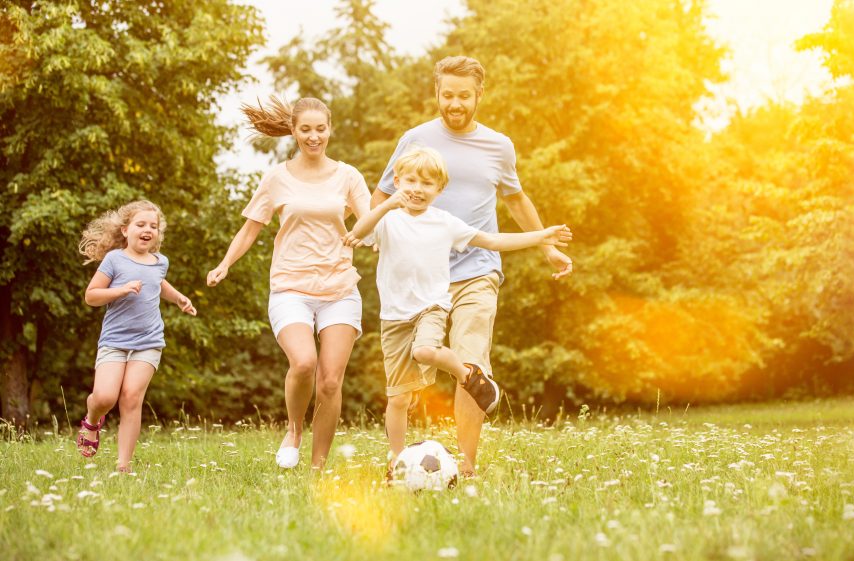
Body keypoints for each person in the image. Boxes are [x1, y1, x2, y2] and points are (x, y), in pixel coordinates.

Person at [373, 56, 574, 476]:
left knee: (470, 365)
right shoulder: (415, 140)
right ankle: (401, 460)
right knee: (408, 376)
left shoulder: (498, 146)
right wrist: (380, 238)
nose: (455, 104)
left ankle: (465, 464)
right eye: (447, 95)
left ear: (479, 95)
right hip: (422, 279)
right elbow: (382, 196)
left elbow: (516, 200)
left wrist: (546, 248)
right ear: (437, 93)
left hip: (477, 271)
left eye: (464, 96)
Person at [346, 147, 571, 475]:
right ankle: (396, 463)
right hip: (394, 317)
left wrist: (541, 238)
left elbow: (492, 242)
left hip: (430, 308)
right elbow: (359, 232)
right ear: (396, 181)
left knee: (425, 350)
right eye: (410, 180)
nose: (417, 189)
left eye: (427, 183)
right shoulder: (387, 220)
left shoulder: (444, 223)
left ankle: (469, 375)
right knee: (398, 399)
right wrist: (388, 204)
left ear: (439, 190)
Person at [206, 96, 371, 470]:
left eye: (321, 129)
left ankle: (316, 469)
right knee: (303, 362)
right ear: (294, 131)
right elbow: (251, 229)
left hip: (339, 288)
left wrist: (370, 233)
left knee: (330, 382)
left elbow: (369, 221)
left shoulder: (348, 176)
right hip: (290, 286)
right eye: (306, 130)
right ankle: (294, 429)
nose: (314, 137)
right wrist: (224, 264)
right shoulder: (277, 177)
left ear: (330, 129)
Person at [76, 200, 197, 473]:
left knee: (131, 397)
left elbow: (158, 283)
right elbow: (91, 296)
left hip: (149, 341)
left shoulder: (160, 261)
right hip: (115, 341)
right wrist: (121, 290)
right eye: (140, 224)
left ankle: (123, 466)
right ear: (125, 230)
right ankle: (93, 418)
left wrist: (179, 298)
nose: (148, 230)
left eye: (153, 226)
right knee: (105, 397)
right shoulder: (114, 259)